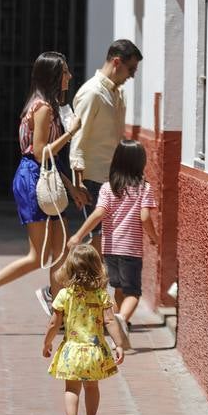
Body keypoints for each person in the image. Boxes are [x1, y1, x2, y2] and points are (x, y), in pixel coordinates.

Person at [0, 52, 89, 329]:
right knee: (40, 256)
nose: (69, 76)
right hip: (33, 179)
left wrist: (72, 188)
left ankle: (58, 309)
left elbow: (48, 159)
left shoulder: (47, 105)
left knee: (61, 251)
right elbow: (42, 151)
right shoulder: (43, 107)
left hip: (45, 176)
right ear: (54, 76)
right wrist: (71, 133)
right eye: (65, 72)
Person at [68, 139, 158, 350]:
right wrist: (153, 237)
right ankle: (121, 319)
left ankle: (119, 338)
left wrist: (78, 235)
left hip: (110, 248)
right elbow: (145, 217)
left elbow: (99, 213)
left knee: (117, 287)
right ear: (140, 163)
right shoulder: (144, 188)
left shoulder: (108, 188)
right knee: (133, 293)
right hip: (131, 250)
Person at [43, 244, 124, 415]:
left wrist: (47, 342)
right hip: (95, 351)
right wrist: (119, 344)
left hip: (72, 350)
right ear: (98, 267)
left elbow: (54, 323)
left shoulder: (64, 295)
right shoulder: (101, 295)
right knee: (92, 387)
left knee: (71, 388)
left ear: (69, 268)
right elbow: (110, 321)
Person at [69, 39, 142, 254]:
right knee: (101, 240)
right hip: (93, 178)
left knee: (109, 241)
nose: (132, 75)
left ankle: (73, 284)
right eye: (131, 69)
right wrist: (78, 183)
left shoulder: (117, 93)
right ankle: (67, 282)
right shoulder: (92, 93)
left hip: (112, 178)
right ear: (117, 62)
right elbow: (77, 138)